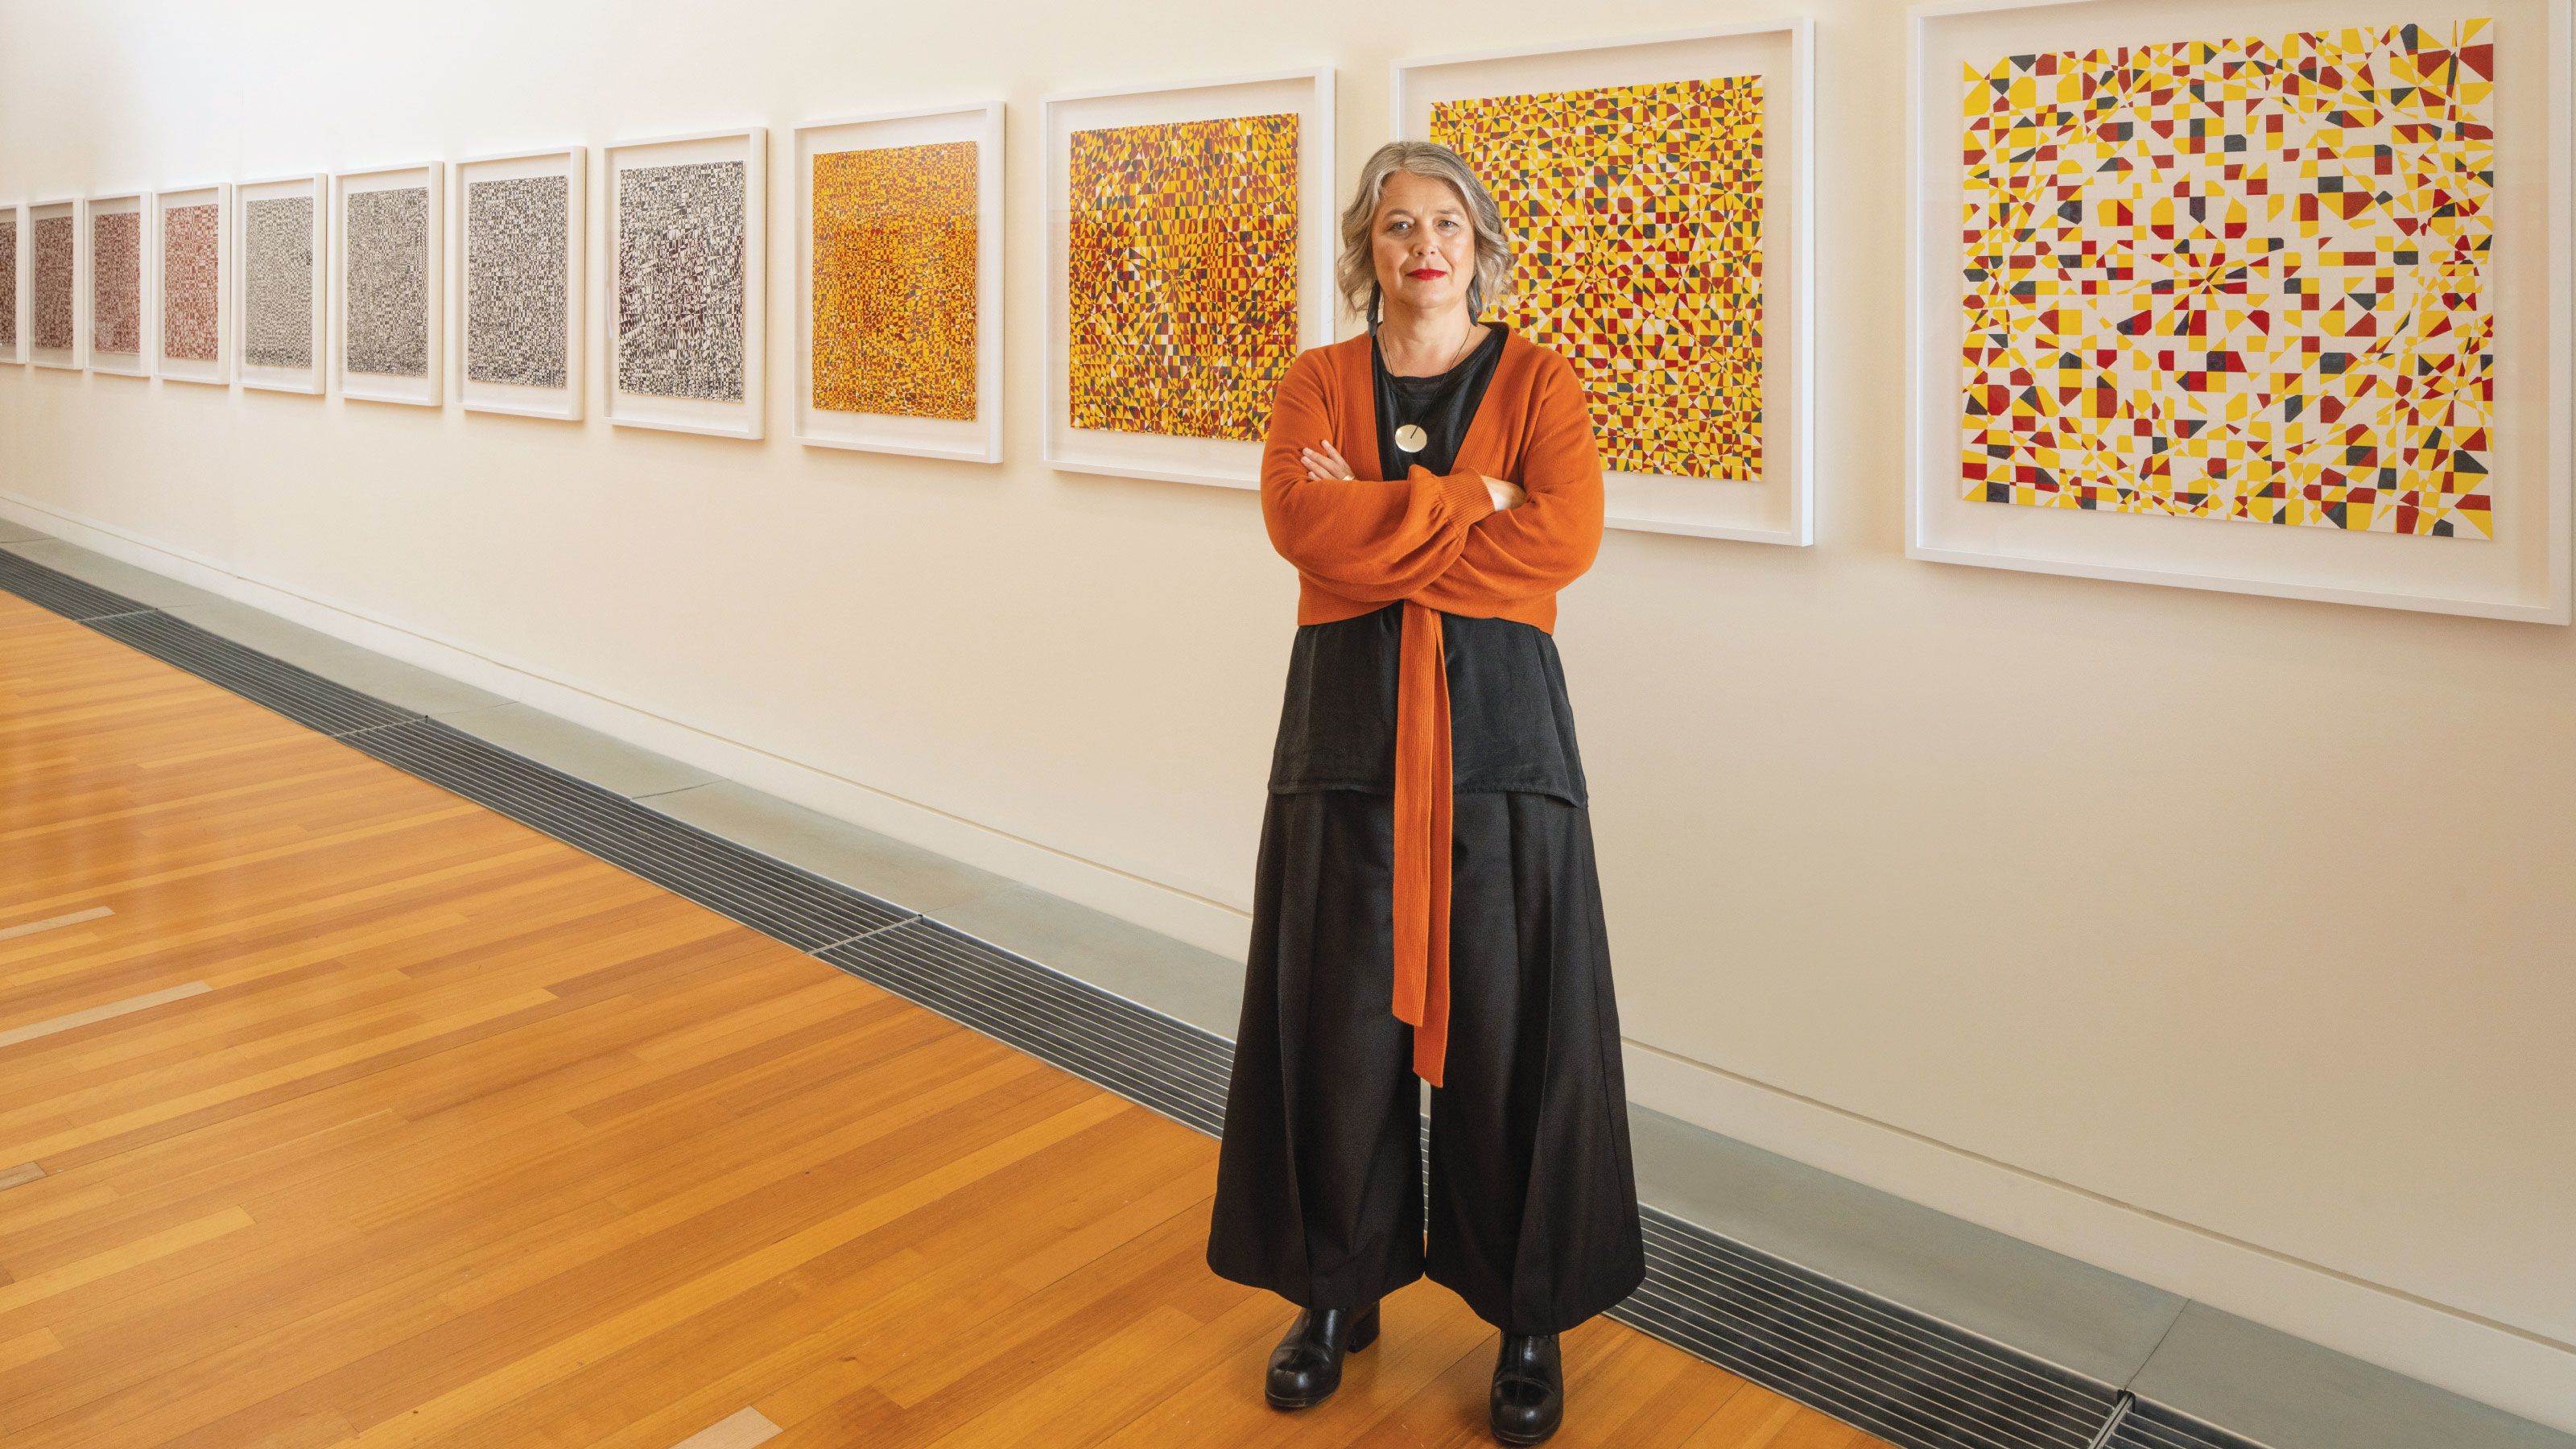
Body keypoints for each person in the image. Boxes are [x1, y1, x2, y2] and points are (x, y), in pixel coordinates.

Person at [1203, 138, 1646, 1447]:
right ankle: (1335, 1293)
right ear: (1369, 250)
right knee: (1336, 1024)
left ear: (1480, 240)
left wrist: (1392, 513)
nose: (1423, 246)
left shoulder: (1544, 381)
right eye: (1397, 225)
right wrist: (1473, 504)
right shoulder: (1317, 383)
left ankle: (1527, 1317)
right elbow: (1298, 525)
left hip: (1503, 743)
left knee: (1517, 1032)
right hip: (1347, 735)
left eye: (1445, 221)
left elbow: (1562, 539)